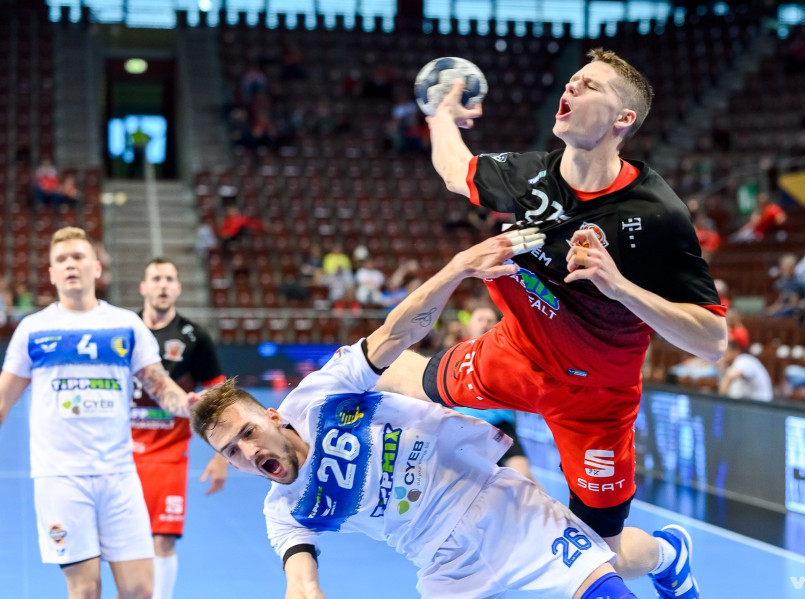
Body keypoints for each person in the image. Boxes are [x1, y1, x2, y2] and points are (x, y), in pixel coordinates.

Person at [380, 48, 726, 597]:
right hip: (514, 354)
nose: (571, 88)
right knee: (391, 373)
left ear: (622, 119)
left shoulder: (658, 215)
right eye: (572, 80)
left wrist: (620, 286)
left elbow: (712, 341)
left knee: (598, 554)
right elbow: (454, 172)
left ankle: (667, 554)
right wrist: (440, 116)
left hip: (596, 400)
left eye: (590, 86)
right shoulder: (530, 176)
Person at [190, 229, 640, 599]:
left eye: (247, 432)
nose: (247, 451)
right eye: (231, 451)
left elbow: (396, 333)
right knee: (608, 552)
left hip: (491, 500)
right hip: (443, 564)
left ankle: (665, 556)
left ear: (273, 417)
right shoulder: (284, 511)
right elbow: (302, 584)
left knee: (608, 583)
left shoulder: (319, 394)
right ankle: (664, 554)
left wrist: (457, 267)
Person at [0, 227, 198, 599]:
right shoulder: (33, 329)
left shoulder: (126, 324)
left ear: (96, 267)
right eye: (61, 259)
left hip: (119, 475)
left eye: (78, 257)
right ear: (51, 273)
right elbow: (2, 401)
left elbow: (160, 386)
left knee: (141, 589)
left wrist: (190, 406)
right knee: (85, 590)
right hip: (60, 477)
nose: (70, 264)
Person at [131, 258, 228, 599]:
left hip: (169, 453)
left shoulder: (194, 337)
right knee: (122, 540)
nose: (162, 284)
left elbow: (219, 396)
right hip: (122, 454)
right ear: (144, 287)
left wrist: (221, 456)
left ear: (178, 288)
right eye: (156, 278)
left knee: (163, 539)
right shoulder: (126, 331)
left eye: (169, 279)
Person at [450, 305, 538, 483]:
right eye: (480, 320)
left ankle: (548, 503)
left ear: (497, 325)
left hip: (501, 427)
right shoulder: (455, 354)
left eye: (489, 320)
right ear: (470, 326)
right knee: (467, 483)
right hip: (467, 426)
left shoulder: (510, 353)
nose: (485, 324)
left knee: (524, 478)